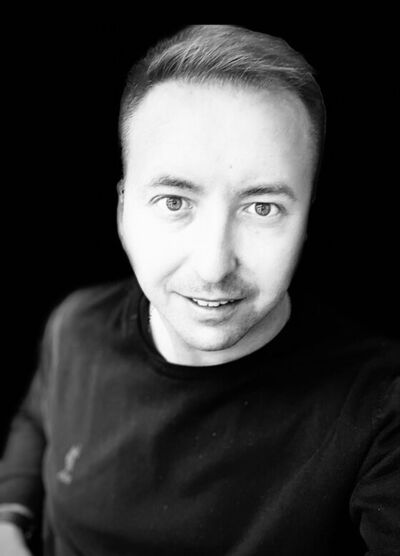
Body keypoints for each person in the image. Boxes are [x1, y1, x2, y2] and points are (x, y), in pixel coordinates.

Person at [0, 24, 399, 556]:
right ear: (122, 212)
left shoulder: (383, 409)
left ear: (306, 223)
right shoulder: (74, 325)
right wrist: (8, 520)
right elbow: (37, 420)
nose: (213, 267)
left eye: (262, 208)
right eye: (174, 202)